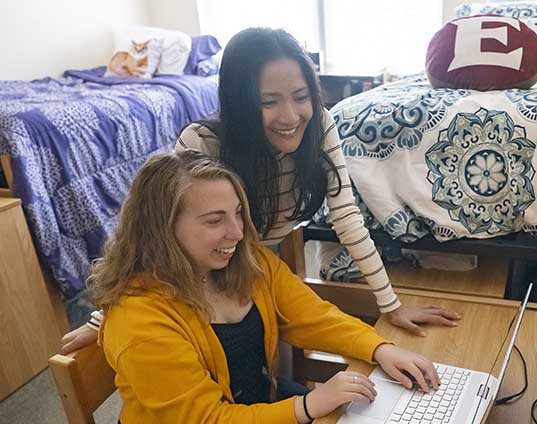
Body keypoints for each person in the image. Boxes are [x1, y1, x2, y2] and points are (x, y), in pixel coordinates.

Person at [91, 151, 440, 424]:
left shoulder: (244, 261)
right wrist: (307, 405)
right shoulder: (139, 318)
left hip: (255, 400)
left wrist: (380, 348)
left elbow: (313, 315)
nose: (238, 232)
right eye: (215, 220)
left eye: (237, 213)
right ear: (161, 228)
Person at [60, 27, 460, 353]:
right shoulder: (203, 143)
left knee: (301, 351)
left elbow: (347, 217)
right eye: (269, 102)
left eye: (301, 97)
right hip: (198, 275)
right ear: (240, 103)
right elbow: (154, 234)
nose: (290, 116)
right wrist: (105, 318)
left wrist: (391, 305)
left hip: (258, 265)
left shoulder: (319, 125)